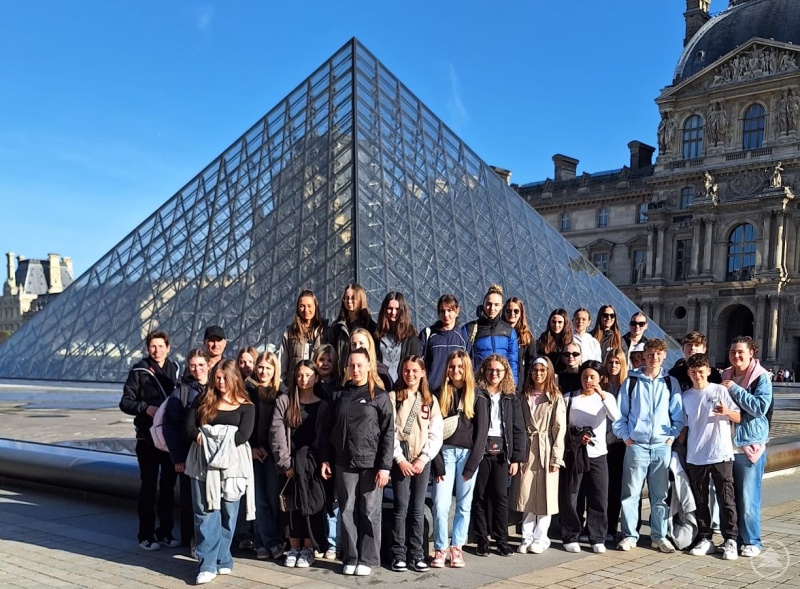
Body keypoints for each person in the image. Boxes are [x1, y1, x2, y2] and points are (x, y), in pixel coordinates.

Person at [320, 348, 394, 576]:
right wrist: (326, 459)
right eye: (352, 365)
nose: (356, 369)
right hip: (344, 462)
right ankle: (351, 557)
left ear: (369, 366)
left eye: (360, 365)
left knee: (370, 511)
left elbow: (388, 433)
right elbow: (328, 429)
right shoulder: (340, 395)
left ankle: (368, 558)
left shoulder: (379, 396)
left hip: (371, 464)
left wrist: (385, 466)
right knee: (347, 510)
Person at [184, 360, 255, 585]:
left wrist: (211, 438)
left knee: (228, 513)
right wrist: (205, 440)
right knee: (204, 512)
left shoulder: (247, 406)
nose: (221, 382)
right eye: (218, 377)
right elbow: (189, 428)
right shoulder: (203, 400)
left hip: (232, 466)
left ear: (235, 378)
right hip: (202, 464)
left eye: (226, 377)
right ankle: (206, 563)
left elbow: (243, 435)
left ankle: (223, 557)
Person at [613, 339, 683, 553]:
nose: (654, 358)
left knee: (660, 495)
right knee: (630, 494)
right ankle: (629, 535)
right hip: (637, 445)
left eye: (658, 354)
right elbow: (619, 415)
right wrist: (626, 438)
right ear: (644, 356)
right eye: (650, 354)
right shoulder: (631, 381)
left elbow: (678, 416)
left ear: (664, 356)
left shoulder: (671, 382)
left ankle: (659, 535)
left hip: (662, 445)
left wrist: (671, 438)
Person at [119, 330, 181, 551]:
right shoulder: (139, 370)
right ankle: (145, 534)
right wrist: (146, 408)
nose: (157, 350)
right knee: (148, 487)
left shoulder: (176, 369)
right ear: (147, 348)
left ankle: (165, 531)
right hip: (147, 438)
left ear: (168, 347)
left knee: (167, 487)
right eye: (153, 346)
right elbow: (125, 402)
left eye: (161, 346)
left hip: (169, 439)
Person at [678, 353, 740, 560]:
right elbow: (684, 427)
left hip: (720, 452)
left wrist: (727, 413)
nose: (697, 376)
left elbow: (739, 416)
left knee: (726, 498)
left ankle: (730, 539)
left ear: (709, 371)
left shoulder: (720, 390)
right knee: (700, 499)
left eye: (701, 372)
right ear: (688, 373)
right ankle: (706, 537)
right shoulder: (685, 397)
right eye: (693, 372)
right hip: (696, 454)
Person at [430, 351, 488, 569]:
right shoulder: (438, 394)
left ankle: (457, 547)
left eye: (460, 367)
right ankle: (440, 547)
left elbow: (481, 433)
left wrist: (473, 464)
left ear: (467, 369)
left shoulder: (478, 396)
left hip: (467, 456)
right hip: (444, 453)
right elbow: (432, 431)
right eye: (452, 366)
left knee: (464, 505)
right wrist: (436, 462)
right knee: (440, 504)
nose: (456, 371)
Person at [270, 360, 328, 569]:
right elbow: (276, 434)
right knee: (290, 507)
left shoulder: (323, 405)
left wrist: (317, 463)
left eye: (308, 375)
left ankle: (308, 548)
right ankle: (294, 547)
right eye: (300, 375)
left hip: (311, 465)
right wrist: (286, 464)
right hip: (289, 464)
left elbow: (323, 438)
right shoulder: (285, 401)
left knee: (311, 505)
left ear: (316, 377)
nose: (304, 379)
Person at [720, 336, 773, 558]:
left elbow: (760, 408)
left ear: (751, 353)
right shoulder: (725, 374)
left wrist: (734, 388)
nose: (736, 356)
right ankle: (733, 538)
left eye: (740, 352)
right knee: (729, 498)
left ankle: (752, 540)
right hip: (726, 445)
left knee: (749, 498)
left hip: (749, 446)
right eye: (732, 352)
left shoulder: (761, 378)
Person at [389, 356, 443, 572]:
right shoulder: (394, 397)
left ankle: (417, 554)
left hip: (422, 461)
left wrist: (424, 457)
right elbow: (389, 432)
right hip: (401, 461)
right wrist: (399, 459)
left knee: (418, 509)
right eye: (406, 370)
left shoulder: (430, 401)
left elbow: (436, 433)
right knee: (401, 508)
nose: (409, 374)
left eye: (414, 370)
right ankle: (398, 554)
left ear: (422, 373)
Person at [560, 361, 620, 554]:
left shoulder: (606, 397)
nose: (588, 381)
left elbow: (616, 417)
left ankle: (597, 537)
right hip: (575, 453)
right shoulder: (570, 398)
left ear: (601, 378)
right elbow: (562, 424)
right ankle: (571, 535)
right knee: (572, 496)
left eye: (593, 376)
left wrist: (602, 393)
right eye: (585, 376)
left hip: (598, 454)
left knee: (599, 496)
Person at [510, 357, 565, 554]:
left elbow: (559, 428)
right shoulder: (523, 395)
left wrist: (556, 458)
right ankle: (526, 536)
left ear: (548, 372)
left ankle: (541, 537)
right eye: (535, 370)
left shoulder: (555, 397)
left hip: (545, 448)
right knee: (525, 494)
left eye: (542, 370)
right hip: (527, 447)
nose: (538, 373)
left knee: (545, 495)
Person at [472, 355, 526, 557]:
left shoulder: (511, 397)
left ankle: (501, 539)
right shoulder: (477, 394)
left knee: (500, 496)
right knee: (480, 496)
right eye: (490, 370)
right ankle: (481, 539)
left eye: (498, 371)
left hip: (503, 452)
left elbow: (518, 428)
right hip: (481, 450)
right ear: (484, 371)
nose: (494, 374)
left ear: (505, 373)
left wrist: (517, 458)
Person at [162, 348, 210, 553]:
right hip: (189, 454)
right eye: (193, 365)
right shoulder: (181, 391)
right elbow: (170, 426)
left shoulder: (218, 385)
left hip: (212, 454)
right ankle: (192, 540)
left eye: (201, 365)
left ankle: (209, 539)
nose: (197, 369)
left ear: (208, 365)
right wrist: (178, 458)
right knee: (191, 501)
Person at [249, 351, 286, 561]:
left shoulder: (282, 393)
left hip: (272, 454)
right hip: (253, 452)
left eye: (268, 368)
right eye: (260, 367)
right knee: (258, 499)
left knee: (272, 499)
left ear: (275, 370)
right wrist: (252, 448)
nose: (263, 372)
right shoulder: (248, 391)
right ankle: (269, 542)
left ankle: (264, 542)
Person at [465, 285, 519, 384]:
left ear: (502, 306)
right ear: (483, 303)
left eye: (496, 305)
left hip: (501, 383)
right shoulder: (470, 329)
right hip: (478, 383)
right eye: (489, 304)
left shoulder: (509, 331)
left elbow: (513, 362)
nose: (492, 308)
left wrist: (513, 385)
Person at [601, 348, 628, 540]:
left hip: (618, 443)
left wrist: (613, 435)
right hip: (600, 441)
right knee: (600, 487)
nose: (613, 366)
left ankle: (611, 526)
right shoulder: (600, 384)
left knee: (615, 487)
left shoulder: (627, 386)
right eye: (610, 362)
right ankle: (597, 525)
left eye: (617, 362)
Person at [420, 294, 471, 390]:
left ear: (457, 311)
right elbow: (418, 363)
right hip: (432, 391)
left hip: (455, 392)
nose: (446, 315)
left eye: (449, 310)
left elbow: (469, 367)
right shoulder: (428, 334)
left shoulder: (463, 338)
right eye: (442, 311)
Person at [328, 284, 377, 377]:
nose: (349, 301)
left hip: (363, 377)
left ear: (360, 299)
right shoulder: (336, 327)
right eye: (346, 298)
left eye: (353, 298)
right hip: (341, 378)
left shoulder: (371, 327)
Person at [279, 289, 327, 380]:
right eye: (302, 306)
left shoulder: (325, 331)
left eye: (309, 306)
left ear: (316, 307)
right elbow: (282, 362)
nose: (306, 310)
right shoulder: (290, 332)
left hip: (317, 387)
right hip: (294, 386)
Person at [374, 292, 420, 384]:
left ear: (403, 310)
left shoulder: (411, 337)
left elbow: (415, 365)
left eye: (397, 309)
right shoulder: (377, 335)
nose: (393, 312)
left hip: (401, 387)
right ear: (384, 310)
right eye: (390, 308)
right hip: (380, 386)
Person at [503, 297, 536, 388]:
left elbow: (531, 363)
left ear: (521, 313)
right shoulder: (498, 333)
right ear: (504, 312)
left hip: (520, 385)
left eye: (516, 311)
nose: (512, 314)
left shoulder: (528, 338)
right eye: (508, 311)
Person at [536, 309, 574, 373]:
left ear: (565, 323)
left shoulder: (572, 341)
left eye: (560, 322)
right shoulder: (542, 340)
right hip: (547, 375)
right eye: (553, 322)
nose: (556, 325)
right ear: (549, 322)